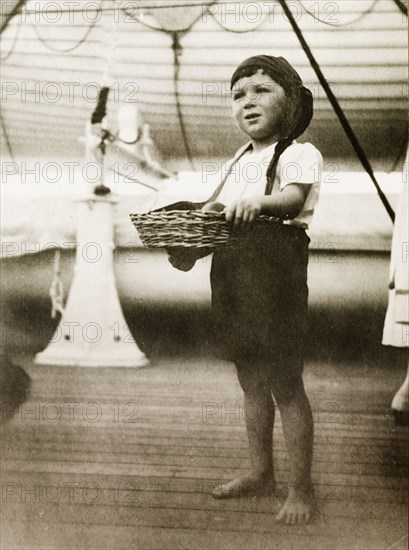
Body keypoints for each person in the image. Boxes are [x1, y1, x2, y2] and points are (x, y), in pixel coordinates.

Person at [168, 55, 323, 525]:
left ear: (292, 101)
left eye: (262, 90)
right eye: (238, 95)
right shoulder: (239, 157)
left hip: (275, 273)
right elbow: (219, 204)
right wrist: (203, 221)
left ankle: (300, 489)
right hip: (234, 272)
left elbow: (292, 198)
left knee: (284, 382)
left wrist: (260, 202)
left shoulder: (300, 153)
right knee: (250, 378)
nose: (247, 102)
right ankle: (261, 473)